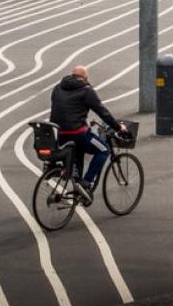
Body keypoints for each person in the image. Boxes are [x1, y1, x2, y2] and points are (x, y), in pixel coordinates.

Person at [50, 65, 125, 203]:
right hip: (78, 134)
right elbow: (102, 112)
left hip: (61, 135)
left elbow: (62, 110)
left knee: (77, 154)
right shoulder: (86, 90)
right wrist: (118, 127)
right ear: (85, 78)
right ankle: (87, 181)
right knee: (103, 150)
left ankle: (78, 187)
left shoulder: (58, 88)